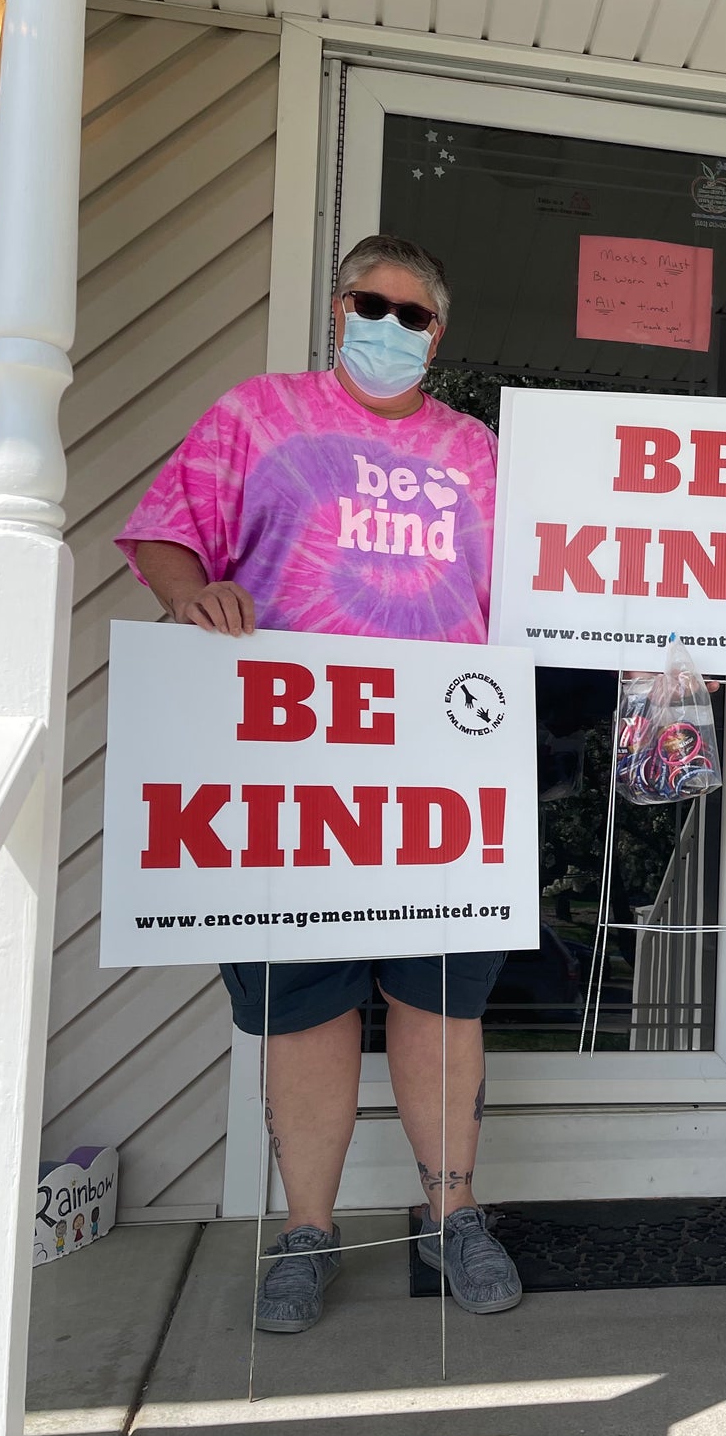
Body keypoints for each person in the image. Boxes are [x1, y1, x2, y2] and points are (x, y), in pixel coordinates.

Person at [117, 234, 521, 1332]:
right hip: (287, 761)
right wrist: (192, 596)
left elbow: (545, 591)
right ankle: (307, 1230)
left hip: (442, 764)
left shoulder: (476, 452)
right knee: (304, 1005)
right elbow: (166, 533)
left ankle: (453, 1215)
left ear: (439, 334)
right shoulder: (257, 414)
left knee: (442, 997)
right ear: (337, 310)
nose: (387, 325)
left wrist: (652, 647)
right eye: (367, 304)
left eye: (411, 313)